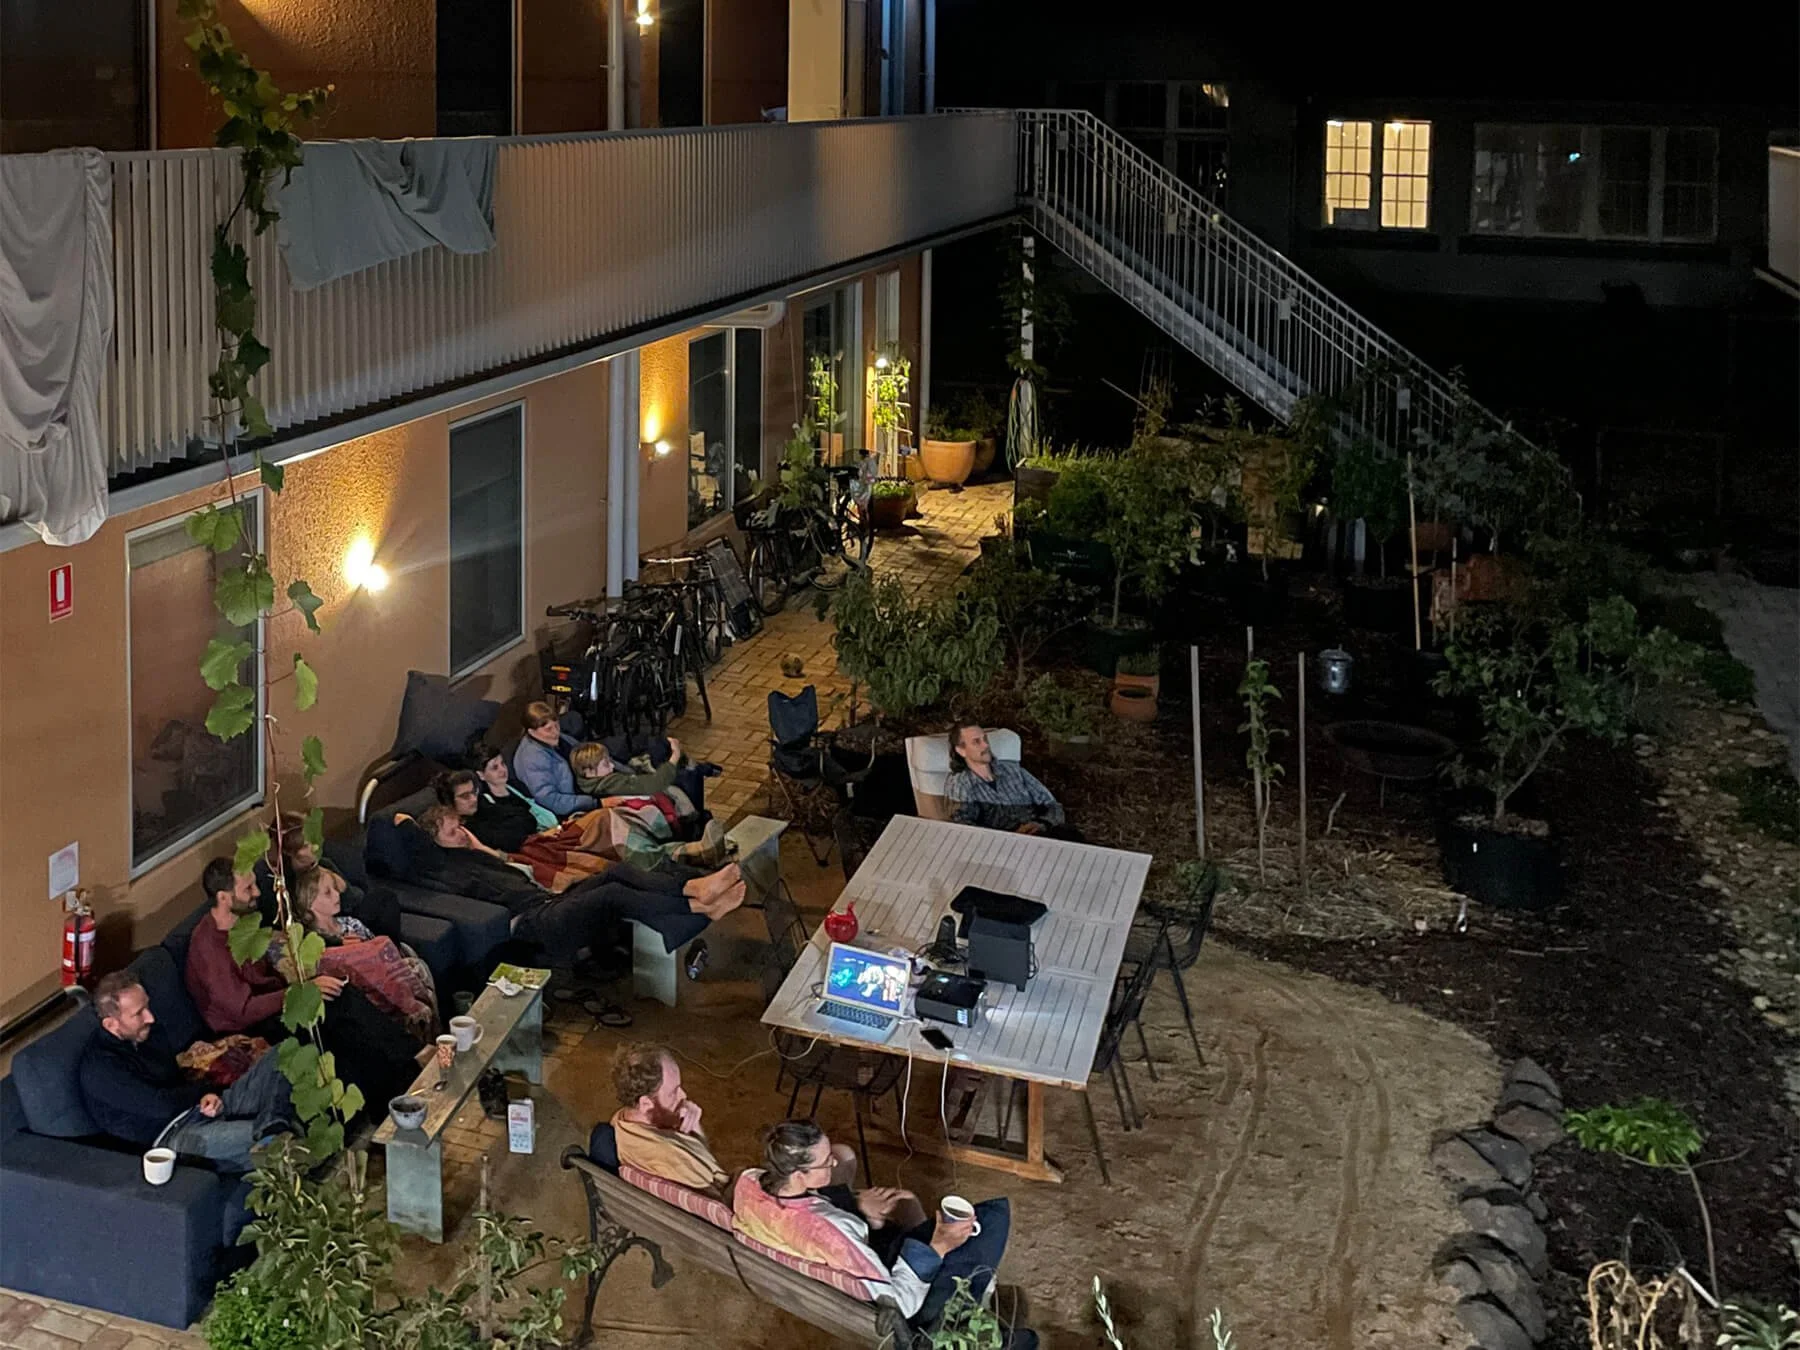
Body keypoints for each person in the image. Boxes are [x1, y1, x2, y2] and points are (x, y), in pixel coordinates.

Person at [733, 1120, 1033, 1345]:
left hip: (815, 1249)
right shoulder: (832, 1232)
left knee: (905, 1203)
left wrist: (856, 1209)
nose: (833, 1162)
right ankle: (966, 1312)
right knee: (991, 1221)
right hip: (894, 1289)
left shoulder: (749, 1183)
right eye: (827, 1163)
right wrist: (939, 1245)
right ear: (800, 1175)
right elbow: (899, 1301)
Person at [184, 859, 426, 1115]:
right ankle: (414, 1061)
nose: (257, 893)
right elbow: (242, 1011)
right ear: (223, 897)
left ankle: (397, 1091)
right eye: (248, 889)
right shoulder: (209, 947)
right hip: (252, 1024)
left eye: (255, 885)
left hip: (277, 1002)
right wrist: (300, 992)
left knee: (341, 998)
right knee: (336, 1008)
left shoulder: (242, 922)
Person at [411, 804, 744, 961]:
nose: (462, 835)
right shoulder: (445, 871)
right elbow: (398, 832)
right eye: (453, 832)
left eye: (461, 828)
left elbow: (509, 868)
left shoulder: (473, 854)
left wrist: (478, 845)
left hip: (545, 902)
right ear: (433, 841)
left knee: (617, 872)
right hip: (534, 923)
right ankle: (698, 905)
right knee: (612, 895)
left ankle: (696, 890)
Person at [79, 971, 293, 1173]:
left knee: (285, 1052)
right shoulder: (101, 1068)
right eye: (138, 1014)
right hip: (172, 1138)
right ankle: (275, 1132)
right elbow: (160, 1106)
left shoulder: (149, 1034)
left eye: (147, 1007)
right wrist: (200, 1092)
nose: (150, 1017)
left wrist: (206, 1094)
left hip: (199, 1108)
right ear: (111, 1024)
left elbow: (176, 1081)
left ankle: (273, 1126)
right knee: (262, 1137)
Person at [439, 767, 724, 878]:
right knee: (607, 831)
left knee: (611, 818)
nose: (474, 798)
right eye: (465, 796)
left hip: (548, 833)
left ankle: (681, 849)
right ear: (451, 803)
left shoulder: (486, 806)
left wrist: (520, 823)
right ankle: (682, 855)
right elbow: (513, 836)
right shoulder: (470, 827)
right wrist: (522, 825)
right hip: (539, 847)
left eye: (474, 791)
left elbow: (523, 815)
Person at [282, 865, 438, 1039]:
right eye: (328, 892)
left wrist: (364, 944)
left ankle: (433, 1030)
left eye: (335, 889)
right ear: (309, 902)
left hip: (388, 972)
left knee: (417, 966)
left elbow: (378, 950)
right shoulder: (315, 941)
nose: (336, 894)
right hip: (365, 992)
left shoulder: (351, 924)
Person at [252, 811, 404, 941]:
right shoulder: (273, 879)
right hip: (309, 935)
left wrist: (342, 887)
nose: (315, 847)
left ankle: (392, 953)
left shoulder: (323, 863)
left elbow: (357, 900)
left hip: (340, 920)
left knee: (384, 898)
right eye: (306, 846)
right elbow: (277, 923)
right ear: (288, 851)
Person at [606, 1042, 730, 1196]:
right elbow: (724, 1198)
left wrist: (692, 1129)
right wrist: (697, 1136)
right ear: (645, 1103)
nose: (683, 1096)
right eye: (673, 1093)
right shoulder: (676, 1159)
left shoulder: (620, 1120)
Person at [944, 725, 1077, 840]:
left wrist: (1041, 824)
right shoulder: (960, 784)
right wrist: (1011, 836)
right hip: (1002, 845)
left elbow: (1051, 804)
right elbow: (962, 827)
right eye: (976, 742)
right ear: (961, 750)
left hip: (1040, 831)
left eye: (985, 739)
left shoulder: (1013, 770)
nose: (985, 745)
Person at [511, 702, 599, 817]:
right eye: (548, 729)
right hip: (573, 809)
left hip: (589, 788)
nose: (555, 732)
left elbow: (591, 754)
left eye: (557, 725)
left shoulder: (559, 740)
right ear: (532, 732)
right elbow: (551, 800)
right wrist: (595, 803)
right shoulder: (531, 758)